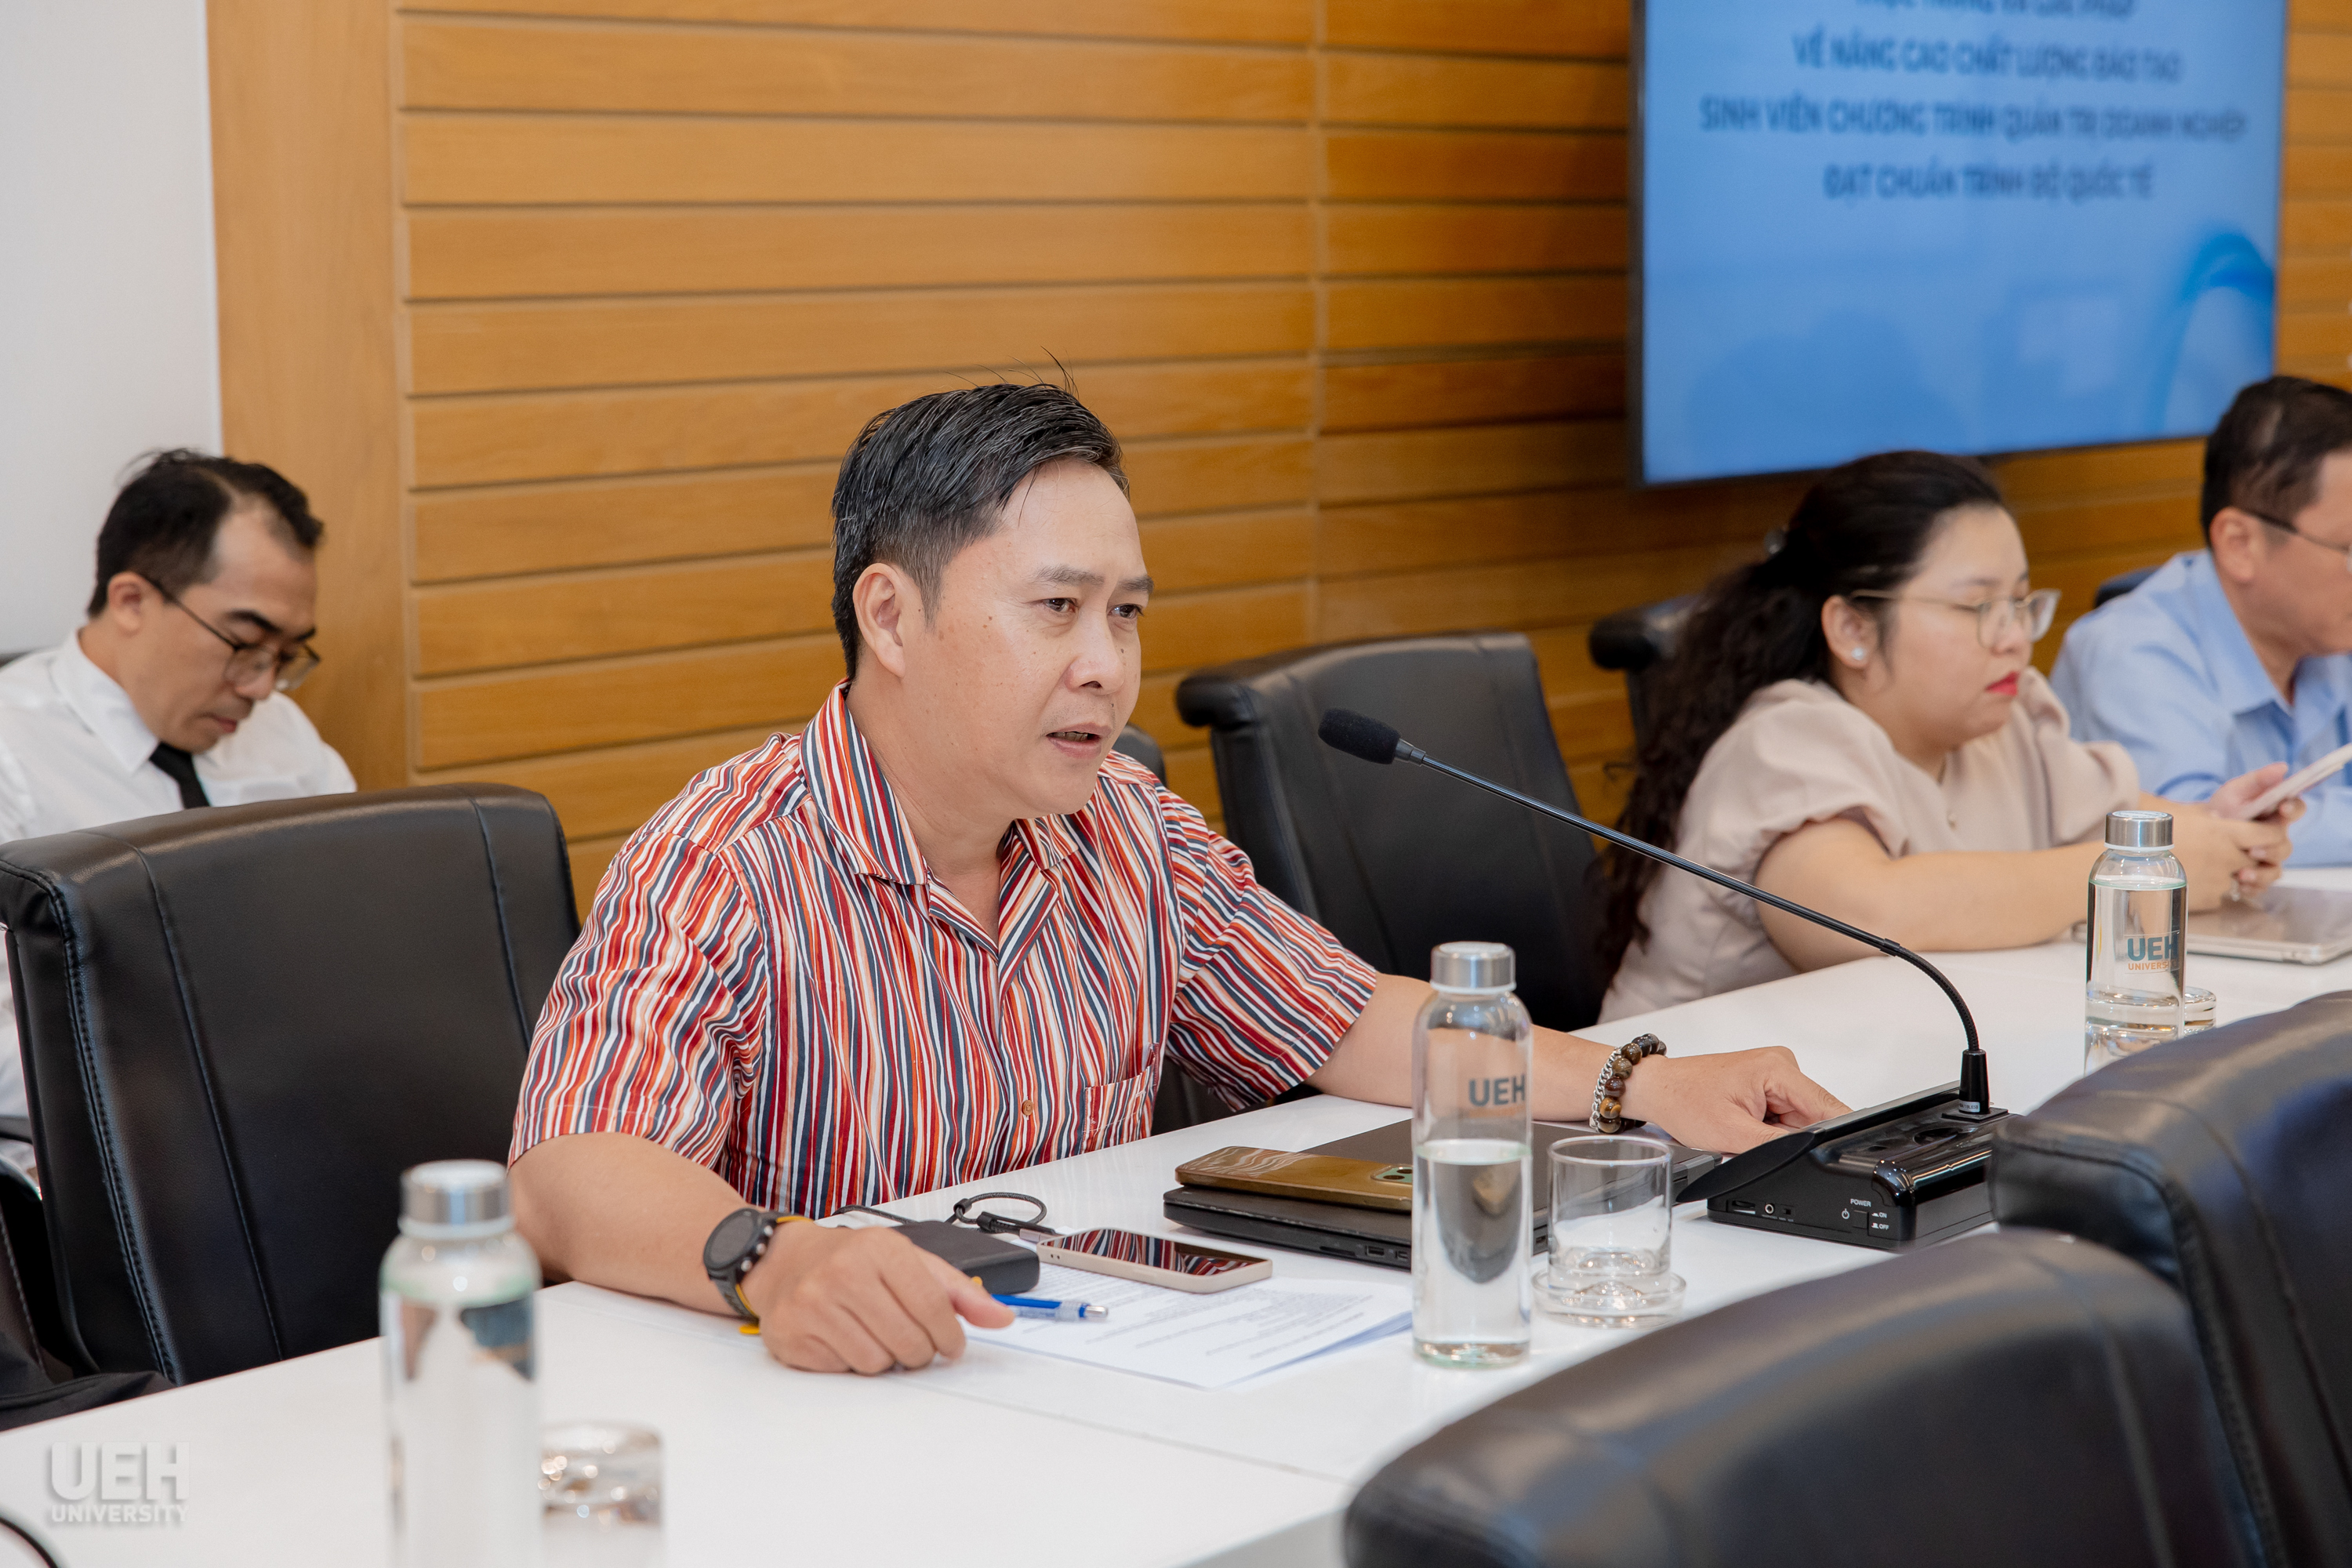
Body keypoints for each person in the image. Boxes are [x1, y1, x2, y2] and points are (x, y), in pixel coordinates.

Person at [509, 384, 1849, 1377]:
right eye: (1057, 609)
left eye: (1128, 613)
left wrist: (1638, 1084)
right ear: (891, 616)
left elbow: (1350, 1022)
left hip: (1083, 1367)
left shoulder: (1125, 829)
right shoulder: (725, 859)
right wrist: (773, 1257)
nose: (1106, 665)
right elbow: (569, 1170)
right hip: (833, 1401)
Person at [1601, 450, 2296, 1021]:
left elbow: (2129, 822)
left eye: (2021, 603)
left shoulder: (2003, 719)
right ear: (1852, 628)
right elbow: (1868, 913)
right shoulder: (1786, 740)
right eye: (1978, 606)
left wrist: (2220, 832)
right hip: (1684, 1123)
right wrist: (2127, 872)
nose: (2014, 637)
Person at [0, 451, 352, 1134]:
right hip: (104, 1135)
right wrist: (191, 1082)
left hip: (298, 1104)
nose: (260, 686)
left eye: (285, 656)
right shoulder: (12, 753)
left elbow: (353, 926)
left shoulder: (283, 734)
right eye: (244, 644)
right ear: (132, 601)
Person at [2052, 376, 2352, 862]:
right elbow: (2200, 837)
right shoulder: (2132, 651)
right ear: (2239, 544)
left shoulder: (2325, 633)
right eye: (2350, 549)